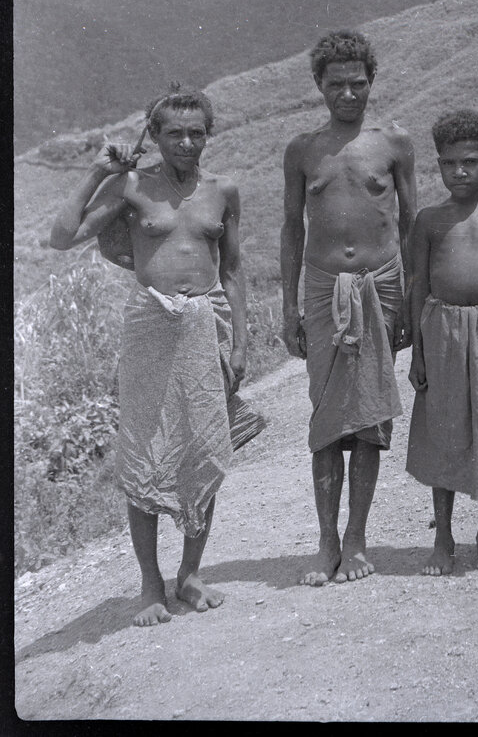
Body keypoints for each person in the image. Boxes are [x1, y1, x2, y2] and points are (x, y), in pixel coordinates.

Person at [50, 90, 246, 626]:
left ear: (209, 134)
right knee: (142, 449)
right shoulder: (132, 187)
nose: (186, 142)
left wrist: (242, 339)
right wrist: (96, 173)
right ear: (154, 136)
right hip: (148, 327)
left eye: (197, 132)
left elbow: (231, 271)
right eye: (174, 132)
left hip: (208, 323)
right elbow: (61, 236)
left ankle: (189, 574)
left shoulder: (222, 191)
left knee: (204, 448)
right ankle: (149, 583)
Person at [281, 30, 416, 586]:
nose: (348, 94)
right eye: (336, 85)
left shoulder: (394, 144)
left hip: (381, 284)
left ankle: (357, 537)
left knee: (368, 418)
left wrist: (414, 296)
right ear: (319, 85)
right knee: (328, 420)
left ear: (371, 83)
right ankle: (326, 540)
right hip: (321, 289)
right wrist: (288, 308)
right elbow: (292, 229)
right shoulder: (303, 150)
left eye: (358, 84)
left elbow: (412, 222)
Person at [405, 110, 478, 576]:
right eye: (449, 163)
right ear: (438, 165)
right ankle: (444, 538)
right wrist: (417, 352)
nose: (459, 171)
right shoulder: (429, 220)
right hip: (442, 333)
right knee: (445, 430)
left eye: (470, 162)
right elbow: (417, 286)